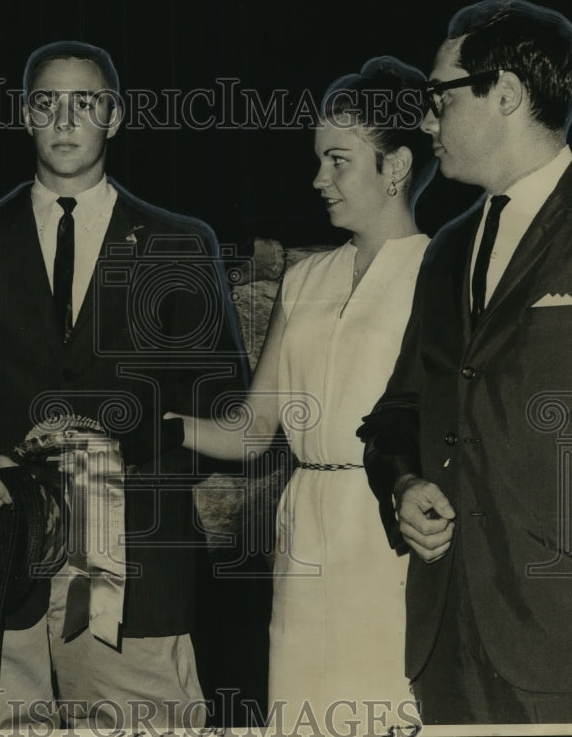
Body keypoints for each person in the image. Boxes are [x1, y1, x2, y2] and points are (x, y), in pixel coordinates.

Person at [0, 40, 247, 731]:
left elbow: (223, 402)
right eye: (47, 102)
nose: (65, 118)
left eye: (84, 102)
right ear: (26, 117)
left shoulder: (180, 244)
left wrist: (126, 441)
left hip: (133, 573)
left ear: (113, 119)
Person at [358, 0, 572, 724]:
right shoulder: (447, 251)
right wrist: (401, 485)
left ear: (506, 94)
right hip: (447, 637)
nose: (426, 119)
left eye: (439, 96)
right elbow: (400, 411)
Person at [167, 57, 436, 735]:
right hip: (303, 536)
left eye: (339, 160)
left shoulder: (443, 273)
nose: (319, 179)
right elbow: (256, 429)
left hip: (391, 535)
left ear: (396, 165)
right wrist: (161, 425)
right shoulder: (304, 278)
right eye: (319, 160)